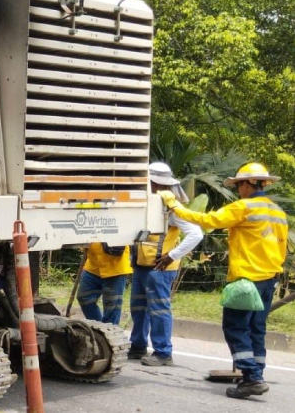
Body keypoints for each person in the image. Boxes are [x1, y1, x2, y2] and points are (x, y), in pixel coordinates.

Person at [158, 162, 288, 399]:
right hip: (270, 279)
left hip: (246, 280)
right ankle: (256, 372)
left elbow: (207, 221)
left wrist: (174, 205)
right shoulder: (277, 211)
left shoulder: (244, 207)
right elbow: (280, 248)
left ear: (250, 184)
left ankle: (251, 378)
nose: (239, 189)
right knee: (256, 329)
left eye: (240, 184)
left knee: (235, 327)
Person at [130, 162, 203, 366]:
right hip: (142, 265)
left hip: (160, 268)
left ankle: (163, 352)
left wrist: (172, 255)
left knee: (159, 310)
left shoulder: (170, 209)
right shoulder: (146, 205)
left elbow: (196, 234)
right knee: (138, 307)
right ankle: (137, 346)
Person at [76, 241, 131, 325]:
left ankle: (109, 333)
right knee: (84, 297)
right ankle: (98, 327)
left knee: (112, 306)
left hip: (115, 267)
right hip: (93, 265)